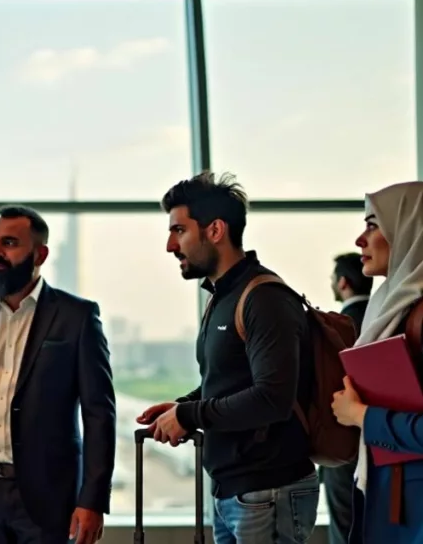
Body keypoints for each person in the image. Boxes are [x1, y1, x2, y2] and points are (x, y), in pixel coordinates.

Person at [139, 172, 319, 544]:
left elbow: (272, 398)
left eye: (179, 231)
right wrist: (184, 405)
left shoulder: (264, 298)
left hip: (267, 490)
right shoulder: (223, 297)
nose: (171, 245)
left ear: (215, 230)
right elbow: (230, 379)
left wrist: (189, 415)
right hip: (235, 490)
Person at [0, 205, 115, 544]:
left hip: (50, 497)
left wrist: (92, 500)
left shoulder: (76, 316)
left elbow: (99, 414)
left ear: (40, 253)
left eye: (10, 243)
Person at [331, 181, 423, 544]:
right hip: (395, 498)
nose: (360, 240)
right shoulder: (392, 308)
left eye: (373, 224)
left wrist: (362, 416)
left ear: (410, 229)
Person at [320, 252, 372, 544]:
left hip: (344, 445)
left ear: (343, 283)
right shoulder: (389, 317)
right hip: (385, 441)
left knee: (345, 530)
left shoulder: (338, 327)